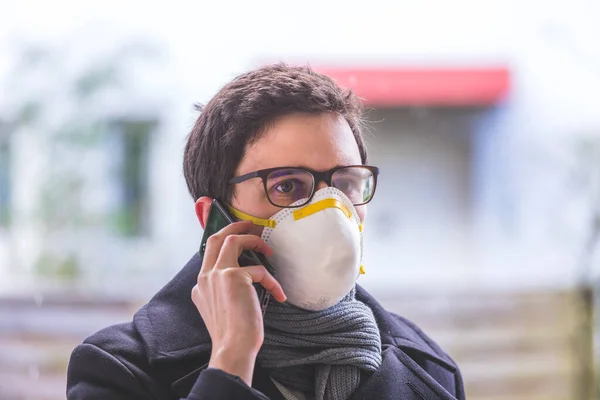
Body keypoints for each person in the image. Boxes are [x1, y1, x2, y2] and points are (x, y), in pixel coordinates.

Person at [66, 63, 465, 400]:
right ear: (214, 217)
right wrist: (230, 363)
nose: (331, 212)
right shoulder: (117, 370)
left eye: (345, 184)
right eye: (287, 186)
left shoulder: (430, 369)